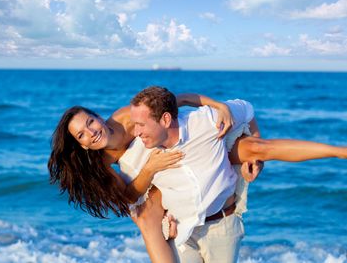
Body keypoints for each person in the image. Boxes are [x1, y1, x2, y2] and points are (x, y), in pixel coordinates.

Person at [48, 89, 347, 263]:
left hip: (178, 152)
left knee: (254, 147)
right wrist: (151, 168)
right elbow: (128, 196)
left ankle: (339, 151)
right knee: (144, 217)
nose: (91, 132)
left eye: (89, 122)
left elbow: (177, 100)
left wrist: (216, 106)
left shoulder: (129, 116)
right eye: (81, 135)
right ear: (80, 144)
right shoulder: (100, 161)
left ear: (98, 116)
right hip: (148, 177)